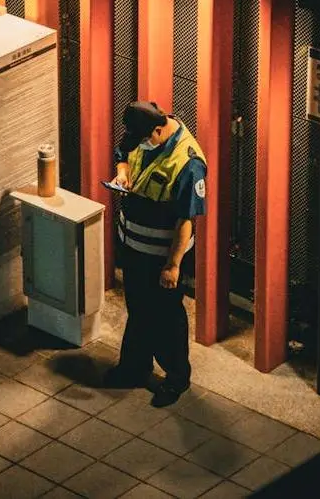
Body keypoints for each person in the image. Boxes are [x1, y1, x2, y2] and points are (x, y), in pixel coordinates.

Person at [105, 100, 207, 407]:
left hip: (161, 258)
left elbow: (186, 221)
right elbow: (123, 153)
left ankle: (177, 378)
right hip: (134, 248)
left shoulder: (188, 162)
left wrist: (173, 266)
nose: (142, 143)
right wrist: (122, 174)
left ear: (159, 130)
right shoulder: (141, 131)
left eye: (147, 138)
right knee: (138, 309)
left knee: (166, 317)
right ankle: (134, 367)